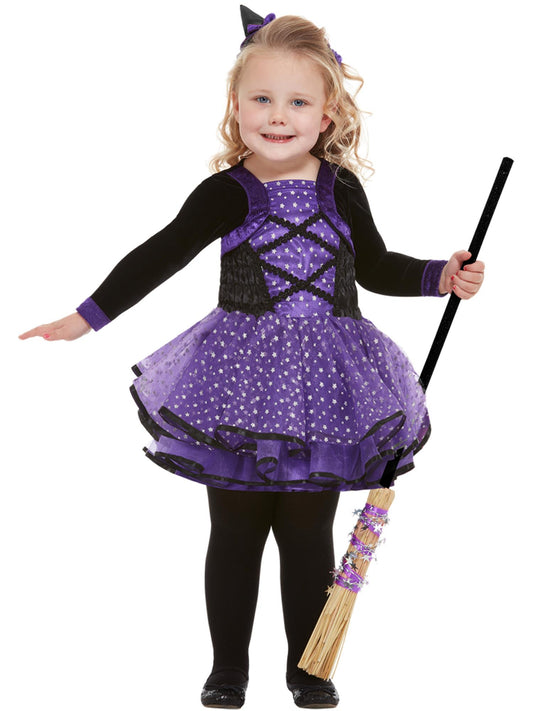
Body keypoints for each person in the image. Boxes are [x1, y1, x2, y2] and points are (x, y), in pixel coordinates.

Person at [19, 7, 485, 709]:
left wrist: (437, 276)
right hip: (238, 379)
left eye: (297, 102)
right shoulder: (226, 192)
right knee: (236, 528)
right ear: (235, 106)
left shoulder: (340, 186)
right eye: (262, 98)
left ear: (327, 113)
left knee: (308, 531)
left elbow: (374, 266)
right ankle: (227, 670)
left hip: (325, 382)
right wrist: (86, 317)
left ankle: (308, 667)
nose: (277, 116)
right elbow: (160, 254)